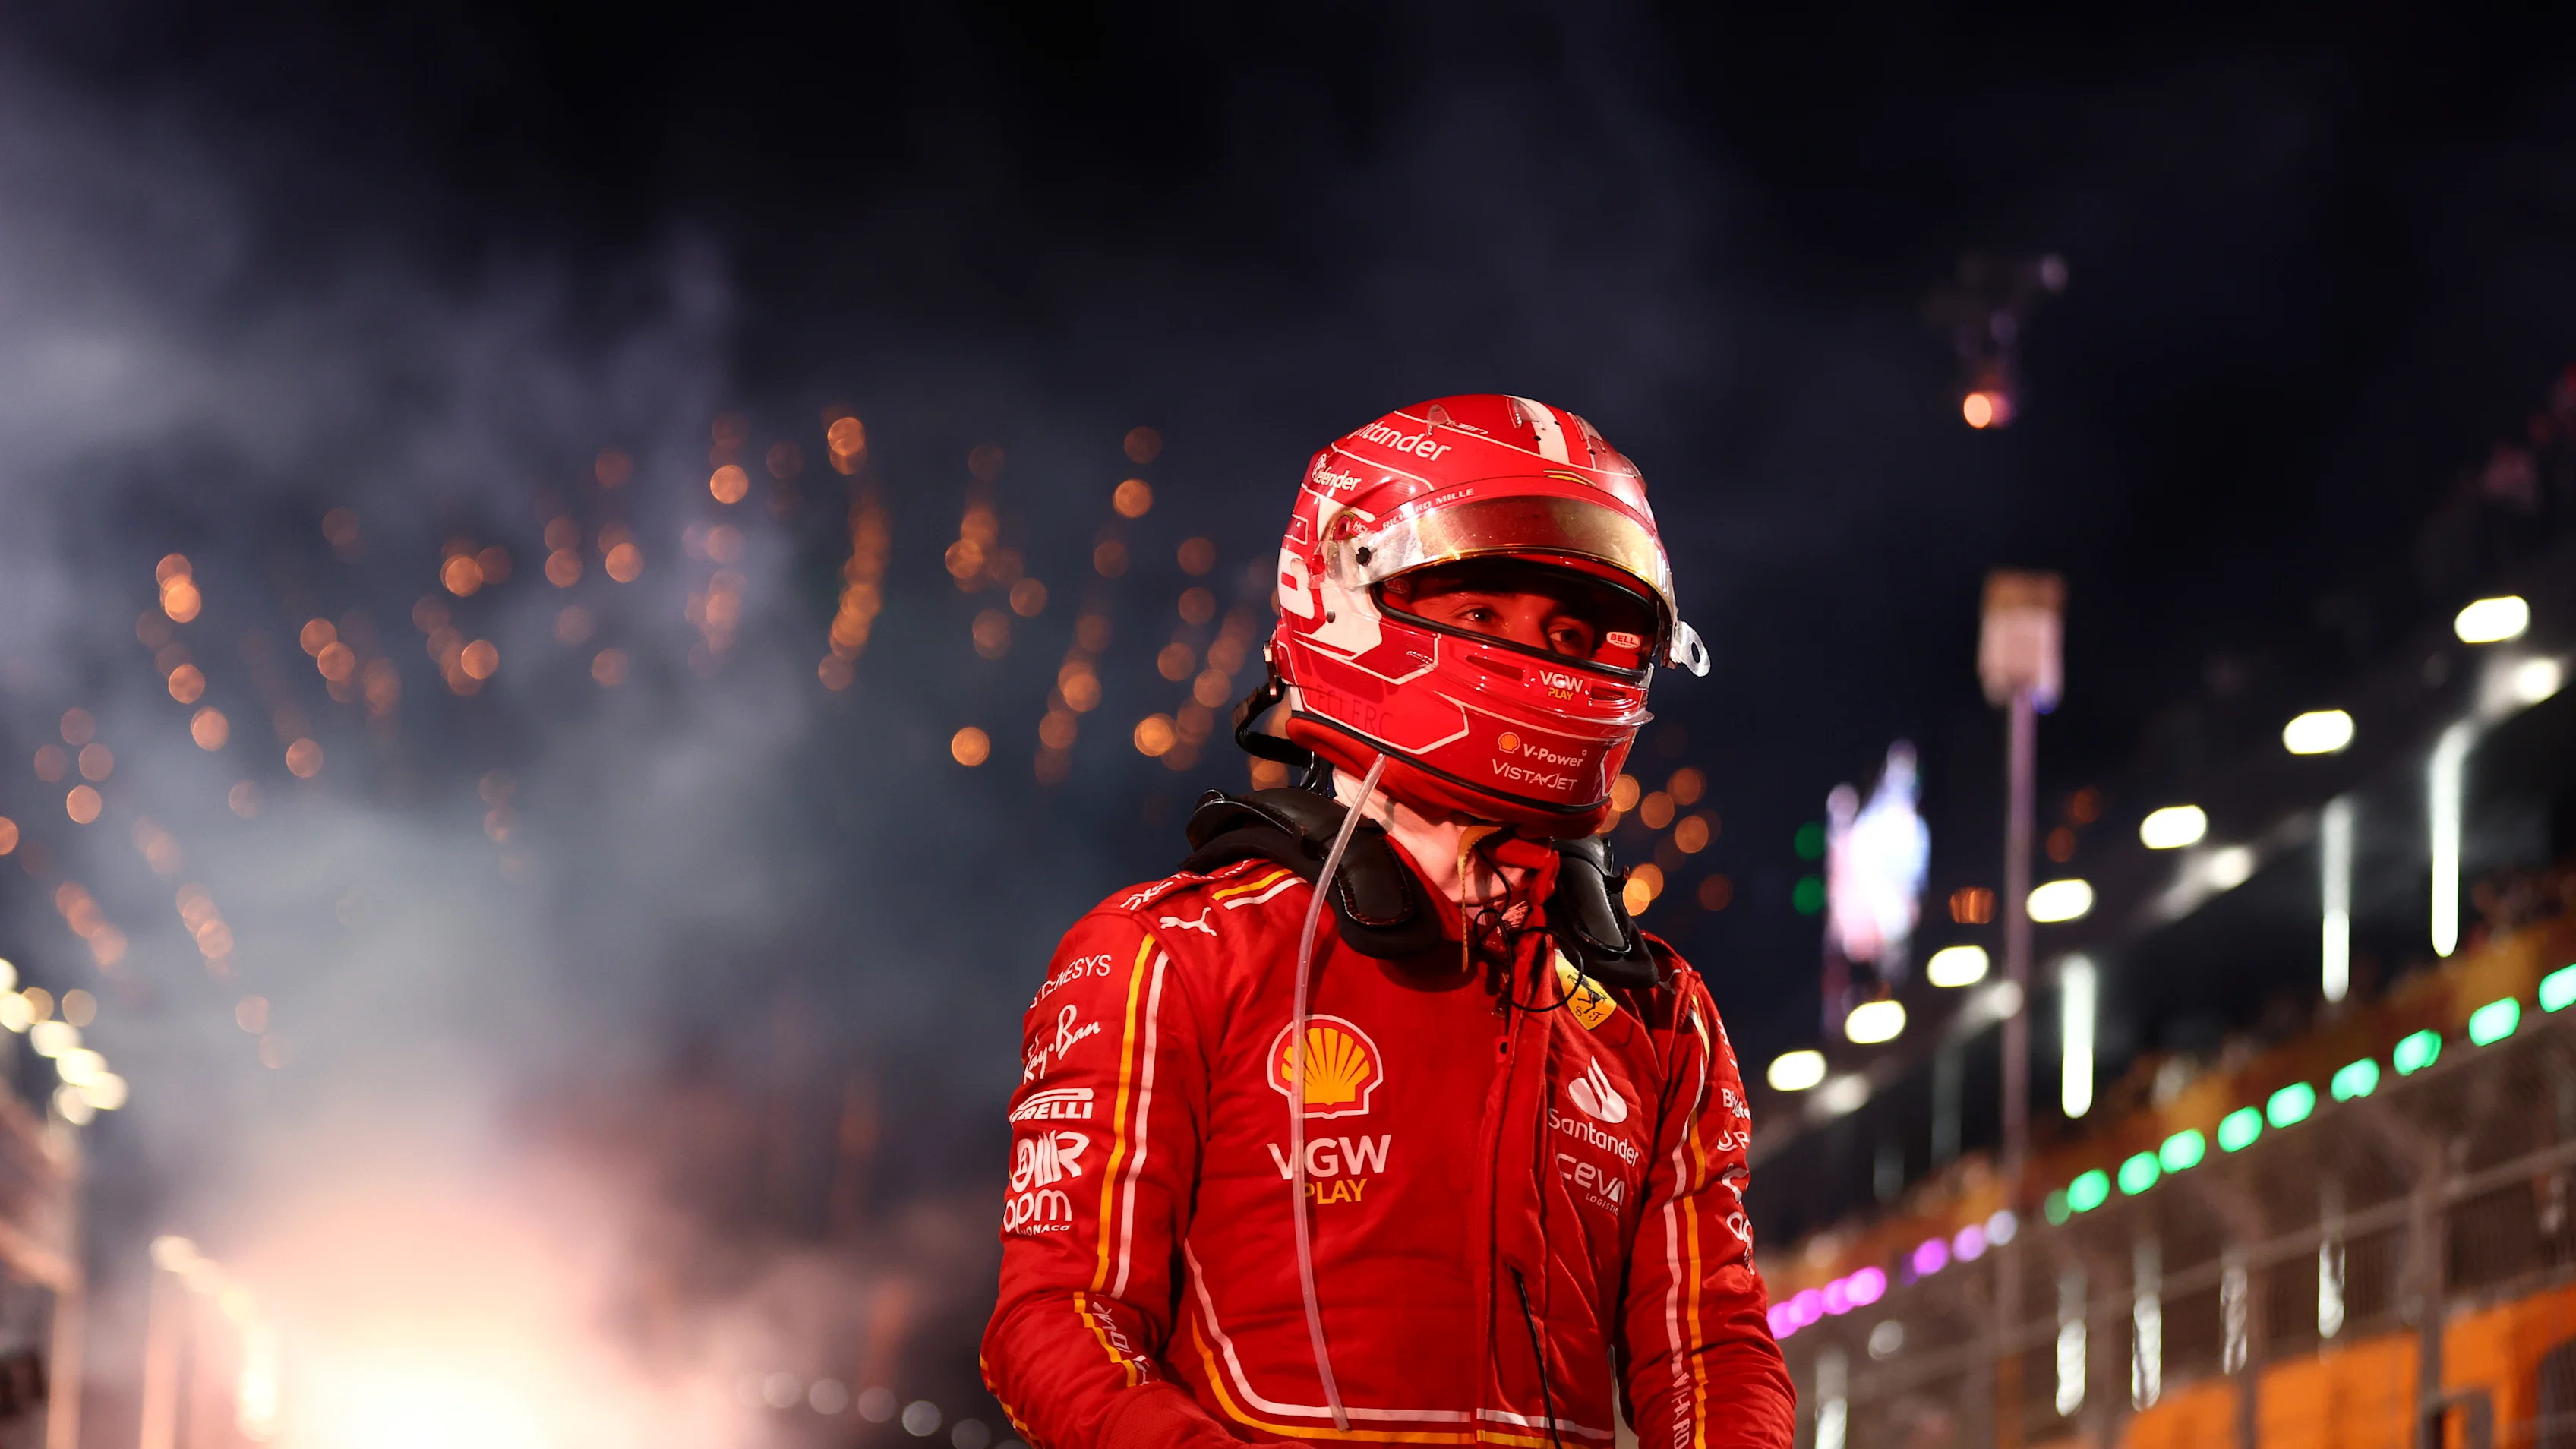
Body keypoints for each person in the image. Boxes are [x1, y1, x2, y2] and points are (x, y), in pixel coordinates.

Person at [982, 396, 1794, 1448]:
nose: (1538, 659)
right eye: (1482, 616)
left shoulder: (1658, 1016)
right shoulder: (1165, 954)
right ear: (1344, 594)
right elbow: (1058, 1321)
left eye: (1572, 632)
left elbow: (1711, 1353)